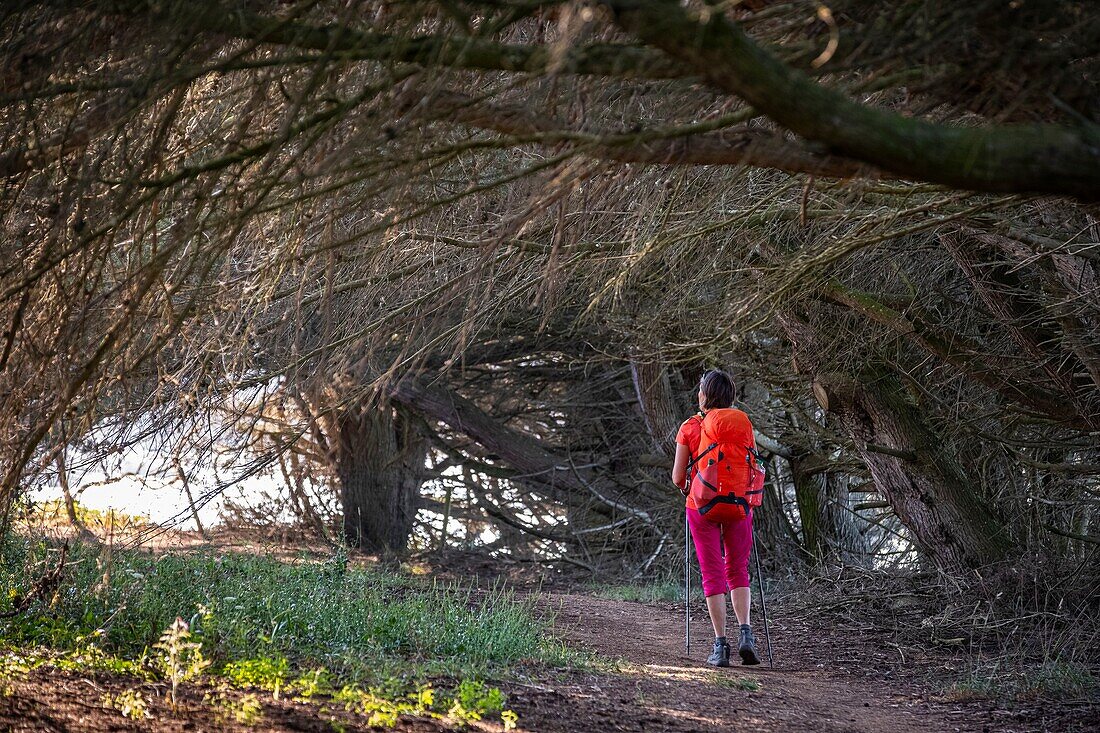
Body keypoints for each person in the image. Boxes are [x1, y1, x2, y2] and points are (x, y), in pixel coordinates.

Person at [671, 369, 761, 667]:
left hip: (701, 507)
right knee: (738, 568)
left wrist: (690, 487)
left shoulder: (690, 427)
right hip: (739, 505)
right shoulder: (742, 424)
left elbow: (676, 477)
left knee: (713, 573)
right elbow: (752, 463)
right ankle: (746, 633)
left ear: (704, 394)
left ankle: (720, 646)